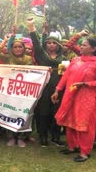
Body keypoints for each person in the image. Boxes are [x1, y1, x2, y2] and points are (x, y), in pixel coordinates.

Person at [51, 38, 96, 162]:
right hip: (70, 95)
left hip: (87, 98)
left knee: (85, 125)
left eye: (84, 45)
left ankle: (84, 152)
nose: (81, 47)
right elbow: (66, 77)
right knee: (69, 121)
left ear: (93, 49)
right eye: (80, 45)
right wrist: (57, 90)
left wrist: (85, 84)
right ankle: (73, 147)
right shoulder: (75, 60)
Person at [27, 19, 66, 147]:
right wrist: (31, 26)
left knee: (57, 111)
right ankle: (43, 136)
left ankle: (55, 136)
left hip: (58, 88)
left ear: (58, 45)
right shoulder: (41, 55)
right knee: (42, 112)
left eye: (54, 43)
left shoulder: (63, 59)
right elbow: (36, 43)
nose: (50, 45)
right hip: (43, 87)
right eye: (48, 43)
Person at [0, 36, 34, 147]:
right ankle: (11, 137)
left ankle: (21, 137)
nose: (17, 49)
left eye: (20, 47)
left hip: (24, 90)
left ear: (23, 48)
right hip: (10, 90)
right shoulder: (7, 58)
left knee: (24, 113)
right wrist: (5, 40)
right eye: (15, 47)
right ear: (11, 49)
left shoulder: (29, 59)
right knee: (10, 112)